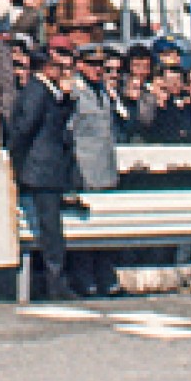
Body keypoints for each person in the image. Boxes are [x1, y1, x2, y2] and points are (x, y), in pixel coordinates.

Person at [8, 34, 82, 300]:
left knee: (53, 229)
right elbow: (25, 128)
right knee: (51, 230)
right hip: (41, 169)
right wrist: (20, 161)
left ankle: (57, 281)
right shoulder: (37, 92)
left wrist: (66, 100)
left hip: (46, 168)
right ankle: (55, 283)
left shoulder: (45, 92)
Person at [63, 42, 121, 295]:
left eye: (102, 65)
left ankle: (105, 276)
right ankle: (84, 279)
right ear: (80, 65)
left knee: (106, 229)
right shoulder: (75, 92)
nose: (99, 70)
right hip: (84, 169)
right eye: (93, 64)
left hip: (105, 169)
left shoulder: (103, 92)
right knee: (84, 232)